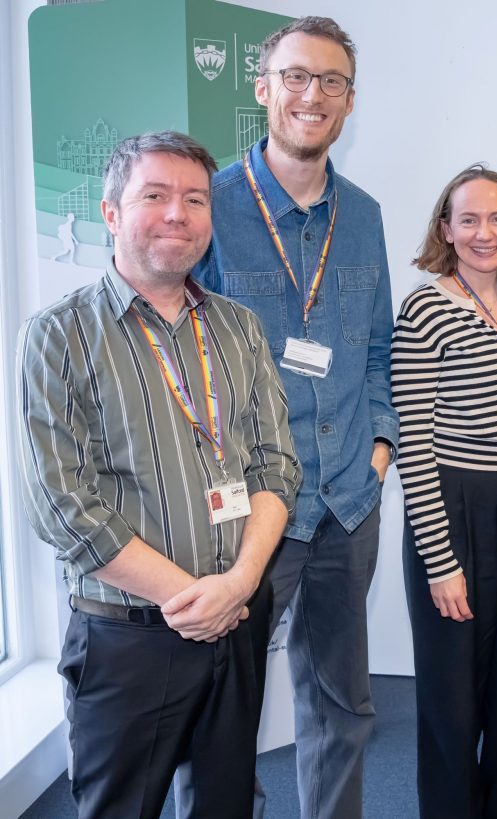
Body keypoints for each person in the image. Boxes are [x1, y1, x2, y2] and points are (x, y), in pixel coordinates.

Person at [17, 131, 300, 819]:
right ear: (111, 212)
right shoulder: (58, 334)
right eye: (155, 195)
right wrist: (193, 598)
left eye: (195, 199)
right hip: (129, 637)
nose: (178, 212)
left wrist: (236, 586)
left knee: (227, 800)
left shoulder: (238, 327)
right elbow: (62, 504)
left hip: (238, 618)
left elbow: (276, 464)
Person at [193, 16, 397, 818]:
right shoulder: (208, 206)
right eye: (297, 78)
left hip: (349, 500)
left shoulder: (367, 214)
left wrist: (380, 450)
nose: (313, 96)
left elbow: (377, 346)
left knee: (343, 706)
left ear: (349, 101)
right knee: (221, 714)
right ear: (264, 88)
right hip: (246, 510)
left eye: (332, 82)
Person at [392, 166, 497, 819]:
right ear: (445, 228)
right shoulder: (426, 306)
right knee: (453, 698)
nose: (483, 232)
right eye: (468, 219)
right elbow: (413, 440)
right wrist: (440, 561)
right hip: (455, 507)